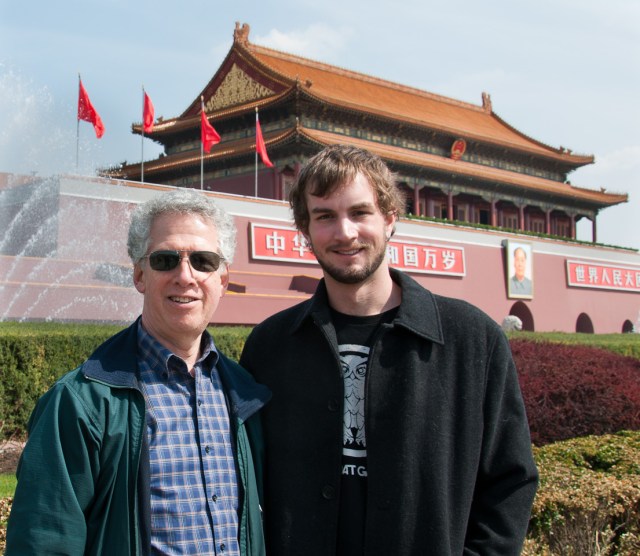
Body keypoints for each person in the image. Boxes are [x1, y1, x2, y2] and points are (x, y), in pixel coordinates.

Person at [240, 144, 538, 555]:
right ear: (305, 231)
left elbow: (511, 479)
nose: (345, 232)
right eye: (325, 216)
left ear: (390, 219)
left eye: (360, 212)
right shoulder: (271, 346)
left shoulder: (472, 340)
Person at [6, 189, 270, 556]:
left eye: (203, 261)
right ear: (139, 275)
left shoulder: (245, 394)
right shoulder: (81, 403)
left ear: (222, 280)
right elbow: (44, 541)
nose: (185, 276)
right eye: (165, 260)